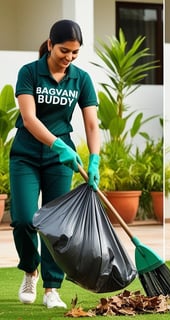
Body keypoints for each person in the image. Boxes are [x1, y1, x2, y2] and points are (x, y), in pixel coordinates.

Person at [9, 19, 100, 308]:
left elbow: (92, 124)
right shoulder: (30, 73)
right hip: (26, 154)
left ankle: (51, 288)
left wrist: (94, 159)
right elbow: (29, 119)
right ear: (50, 45)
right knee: (24, 219)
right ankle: (30, 270)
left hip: (60, 161)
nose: (69, 57)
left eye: (75, 52)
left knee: (56, 225)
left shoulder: (81, 79)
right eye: (64, 50)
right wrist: (57, 143)